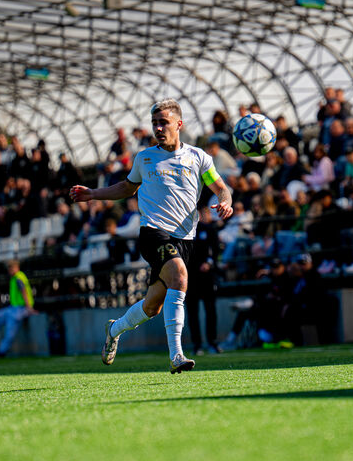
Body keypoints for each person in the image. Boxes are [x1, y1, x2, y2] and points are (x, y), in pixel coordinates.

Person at [70, 98, 233, 373]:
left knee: (152, 306)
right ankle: (177, 355)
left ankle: (115, 329)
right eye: (154, 123)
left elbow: (220, 187)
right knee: (179, 276)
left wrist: (225, 201)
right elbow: (127, 188)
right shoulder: (145, 158)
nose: (158, 128)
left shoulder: (198, 157)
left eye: (163, 122)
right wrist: (93, 194)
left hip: (185, 239)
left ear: (179, 124)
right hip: (153, 233)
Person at [0, 260, 36, 357]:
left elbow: (24, 291)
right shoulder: (14, 278)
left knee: (10, 331)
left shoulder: (19, 277)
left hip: (21, 309)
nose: (10, 270)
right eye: (9, 268)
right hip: (13, 308)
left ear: (17, 267)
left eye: (11, 268)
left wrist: (29, 308)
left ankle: (1, 351)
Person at [186, 206, 222, 356]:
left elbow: (216, 249)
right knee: (192, 312)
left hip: (207, 276)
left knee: (210, 310)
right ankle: (197, 345)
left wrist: (209, 263)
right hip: (190, 277)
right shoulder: (182, 232)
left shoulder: (208, 229)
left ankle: (212, 342)